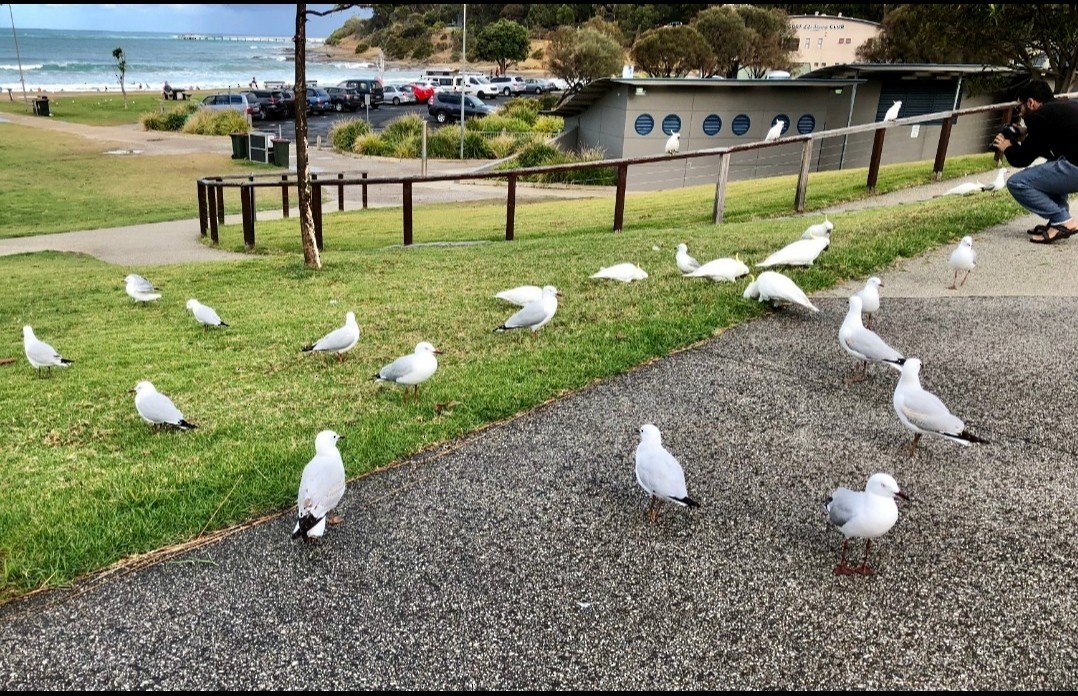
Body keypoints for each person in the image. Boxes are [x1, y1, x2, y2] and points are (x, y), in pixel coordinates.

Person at [992, 78, 1078, 244]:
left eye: (1020, 107)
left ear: (1030, 102)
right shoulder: (1062, 107)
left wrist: (1008, 146)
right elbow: (1050, 147)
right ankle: (1058, 220)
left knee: (1018, 183)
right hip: (1074, 163)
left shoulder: (1039, 116)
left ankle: (1063, 220)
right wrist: (1027, 135)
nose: (1020, 112)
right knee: (1049, 167)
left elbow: (1021, 159)